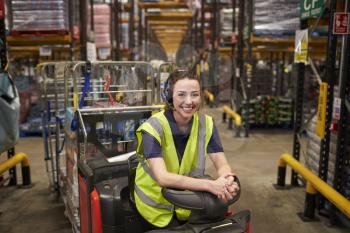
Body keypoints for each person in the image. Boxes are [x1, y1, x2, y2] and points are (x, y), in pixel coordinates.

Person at [133, 69, 239, 229]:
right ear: (170, 97)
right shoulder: (153, 128)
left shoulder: (206, 124)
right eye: (181, 94)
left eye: (195, 94)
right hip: (155, 209)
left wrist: (226, 179)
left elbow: (220, 161)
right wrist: (211, 185)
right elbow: (163, 178)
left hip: (187, 205)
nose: (189, 101)